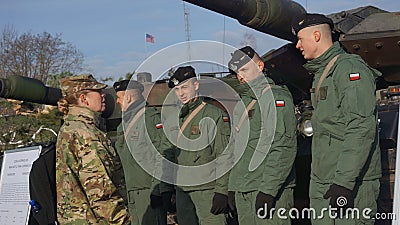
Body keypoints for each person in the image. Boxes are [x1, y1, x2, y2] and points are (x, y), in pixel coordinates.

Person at [292, 13, 382, 224]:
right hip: (325, 179)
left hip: (351, 182)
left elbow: (360, 127)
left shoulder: (348, 69)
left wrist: (343, 182)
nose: (297, 45)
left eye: (300, 39)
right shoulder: (323, 72)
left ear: (316, 35)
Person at [227, 46, 297, 225]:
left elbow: (282, 147)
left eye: (244, 70)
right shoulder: (244, 103)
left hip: (267, 189)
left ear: (260, 66)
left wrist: (269, 191)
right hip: (246, 188)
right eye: (237, 72)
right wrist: (233, 187)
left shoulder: (274, 97)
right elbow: (238, 150)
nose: (240, 77)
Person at [55, 74, 131, 224]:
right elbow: (101, 192)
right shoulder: (87, 134)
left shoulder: (69, 129)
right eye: (98, 92)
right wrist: (122, 221)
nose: (104, 95)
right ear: (84, 99)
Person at [162, 66, 231, 225]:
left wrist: (222, 191)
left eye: (185, 87)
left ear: (196, 85)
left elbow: (224, 154)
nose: (181, 93)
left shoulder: (213, 114)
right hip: (182, 192)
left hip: (207, 190)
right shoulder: (173, 118)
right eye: (177, 89)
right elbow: (168, 155)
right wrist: (166, 189)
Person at [113, 79, 170, 225]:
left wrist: (158, 189)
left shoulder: (150, 118)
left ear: (128, 98)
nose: (117, 102)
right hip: (132, 192)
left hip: (149, 192)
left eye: (118, 98)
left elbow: (162, 154)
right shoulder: (123, 125)